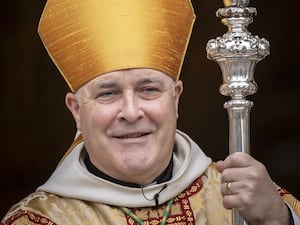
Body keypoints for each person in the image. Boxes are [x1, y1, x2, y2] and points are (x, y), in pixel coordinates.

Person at [1, 0, 299, 225]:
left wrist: (278, 219)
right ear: (76, 110)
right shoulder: (40, 220)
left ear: (176, 99)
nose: (131, 112)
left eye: (148, 89)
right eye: (108, 93)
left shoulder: (244, 197)